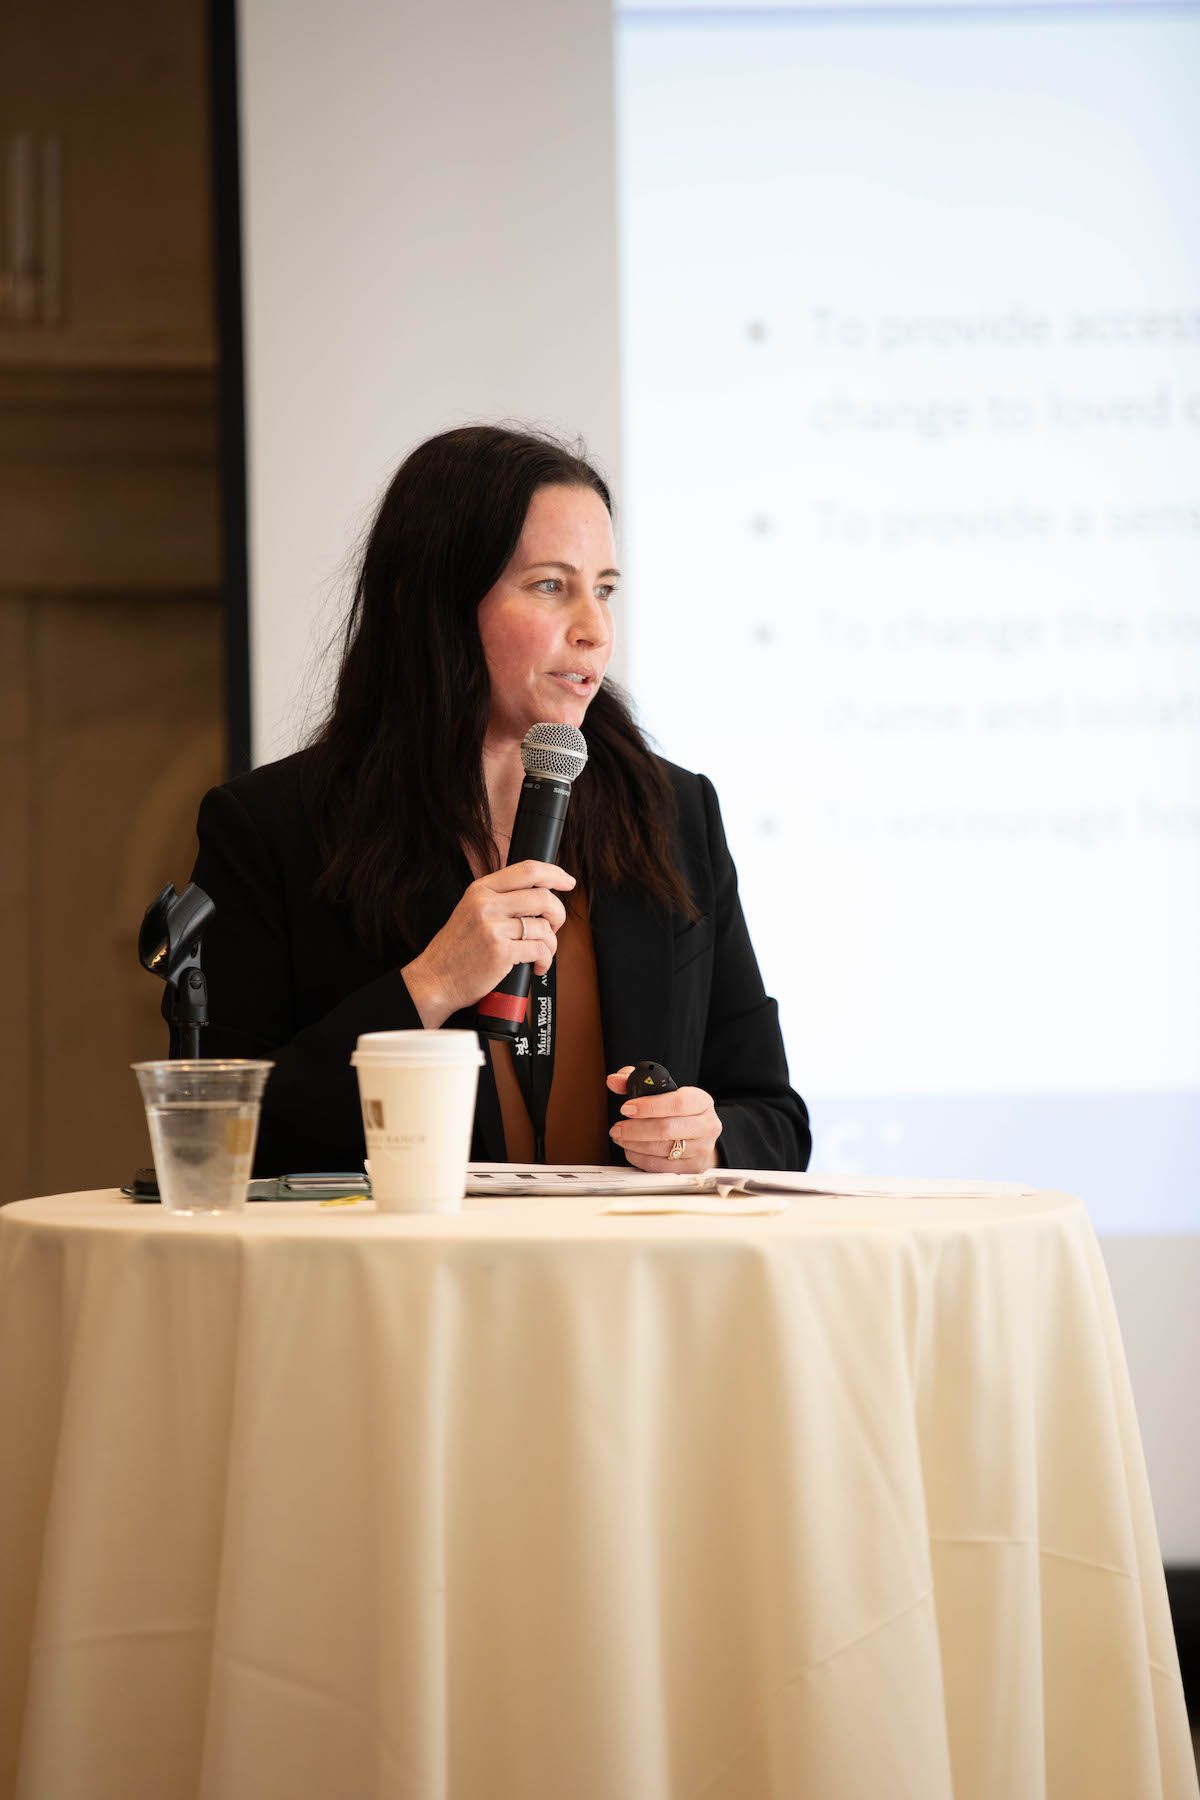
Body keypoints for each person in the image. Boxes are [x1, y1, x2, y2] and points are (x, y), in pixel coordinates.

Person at [190, 425, 810, 1176]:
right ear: (440, 603)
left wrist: (706, 1138)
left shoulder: (673, 813)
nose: (595, 630)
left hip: (627, 1282)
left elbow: (774, 1118)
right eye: (552, 586)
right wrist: (430, 986)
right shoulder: (272, 828)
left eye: (605, 590)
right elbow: (217, 1137)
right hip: (402, 1285)